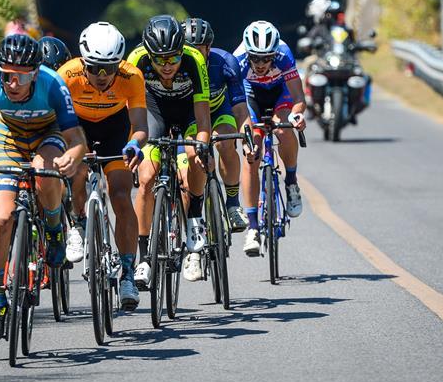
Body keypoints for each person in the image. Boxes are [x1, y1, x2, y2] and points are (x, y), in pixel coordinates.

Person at [0, 34, 86, 342]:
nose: (12, 83)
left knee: (44, 173)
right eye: (7, 75)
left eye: (19, 77)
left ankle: (56, 230)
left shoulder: (53, 84)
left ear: (34, 74)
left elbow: (76, 140)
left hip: (49, 133)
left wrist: (72, 156)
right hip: (11, 139)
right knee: (3, 219)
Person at [57, 22, 148, 310]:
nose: (102, 75)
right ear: (83, 61)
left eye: (109, 67)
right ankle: (78, 223)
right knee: (78, 172)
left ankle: (128, 274)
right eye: (94, 67)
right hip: (78, 128)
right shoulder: (66, 75)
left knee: (121, 195)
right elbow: (55, 124)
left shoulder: (131, 76)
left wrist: (134, 144)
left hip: (115, 129)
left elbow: (141, 126)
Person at [128, 15, 212, 284]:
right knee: (147, 178)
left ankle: (194, 220)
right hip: (153, 111)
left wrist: (201, 145)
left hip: (188, 111)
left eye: (173, 59)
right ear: (148, 54)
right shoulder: (136, 60)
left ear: (181, 52)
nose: (167, 66)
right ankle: (144, 258)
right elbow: (129, 114)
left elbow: (203, 119)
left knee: (194, 158)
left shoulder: (193, 60)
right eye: (160, 60)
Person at [234, 21, 308, 257]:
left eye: (267, 59)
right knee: (250, 152)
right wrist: (247, 132)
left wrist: (296, 116)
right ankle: (253, 227)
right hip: (250, 96)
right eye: (256, 58)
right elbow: (238, 107)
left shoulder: (284, 54)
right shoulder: (238, 61)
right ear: (248, 54)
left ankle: (291, 183)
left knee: (283, 129)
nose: (261, 64)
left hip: (280, 95)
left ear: (275, 53)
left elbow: (298, 97)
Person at [180, 18, 253, 232]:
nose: (192, 54)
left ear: (209, 47)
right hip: (190, 116)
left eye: (198, 49)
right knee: (191, 165)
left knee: (226, 143)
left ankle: (232, 204)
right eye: (187, 49)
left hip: (219, 111)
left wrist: (247, 138)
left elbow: (240, 109)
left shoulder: (225, 62)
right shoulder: (176, 66)